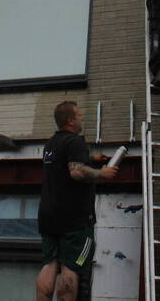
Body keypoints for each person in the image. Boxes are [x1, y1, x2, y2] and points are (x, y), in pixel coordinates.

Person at [36, 101, 119, 301]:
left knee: (49, 265)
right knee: (70, 267)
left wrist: (89, 159)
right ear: (71, 121)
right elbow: (75, 171)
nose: (82, 118)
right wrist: (102, 173)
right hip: (73, 221)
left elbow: (66, 165)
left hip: (48, 218)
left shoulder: (51, 144)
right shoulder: (75, 142)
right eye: (80, 115)